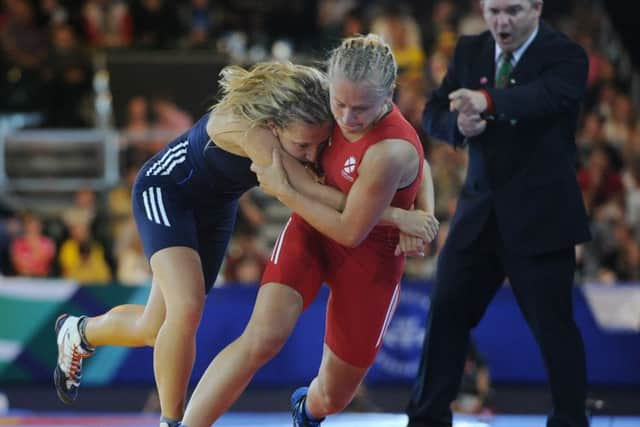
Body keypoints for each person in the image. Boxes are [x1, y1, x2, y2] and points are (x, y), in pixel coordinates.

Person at [53, 61, 432, 427]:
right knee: (185, 310)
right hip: (167, 193)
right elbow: (309, 188)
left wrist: (418, 209)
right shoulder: (255, 133)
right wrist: (398, 216)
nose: (314, 155)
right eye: (302, 147)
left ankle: (79, 332)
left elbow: (406, 154)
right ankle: (173, 422)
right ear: (274, 126)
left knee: (156, 328)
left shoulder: (326, 101)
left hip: (216, 209)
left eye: (319, 145)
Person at [178, 34, 438, 427]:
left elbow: (353, 227)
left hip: (370, 256)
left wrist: (283, 189)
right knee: (261, 338)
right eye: (339, 104)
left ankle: (308, 412)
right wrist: (410, 214)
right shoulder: (327, 97)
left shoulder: (390, 150)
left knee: (334, 395)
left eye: (361, 110)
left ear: (389, 96)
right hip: (312, 229)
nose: (347, 119)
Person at [405, 1, 591, 426]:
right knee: (445, 314)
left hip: (542, 217)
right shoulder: (470, 50)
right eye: (493, 11)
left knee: (554, 330)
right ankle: (426, 419)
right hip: (478, 216)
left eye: (513, 11)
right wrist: (458, 128)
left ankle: (570, 421)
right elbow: (434, 111)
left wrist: (486, 101)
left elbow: (542, 97)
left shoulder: (566, 55)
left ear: (537, 8)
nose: (501, 22)